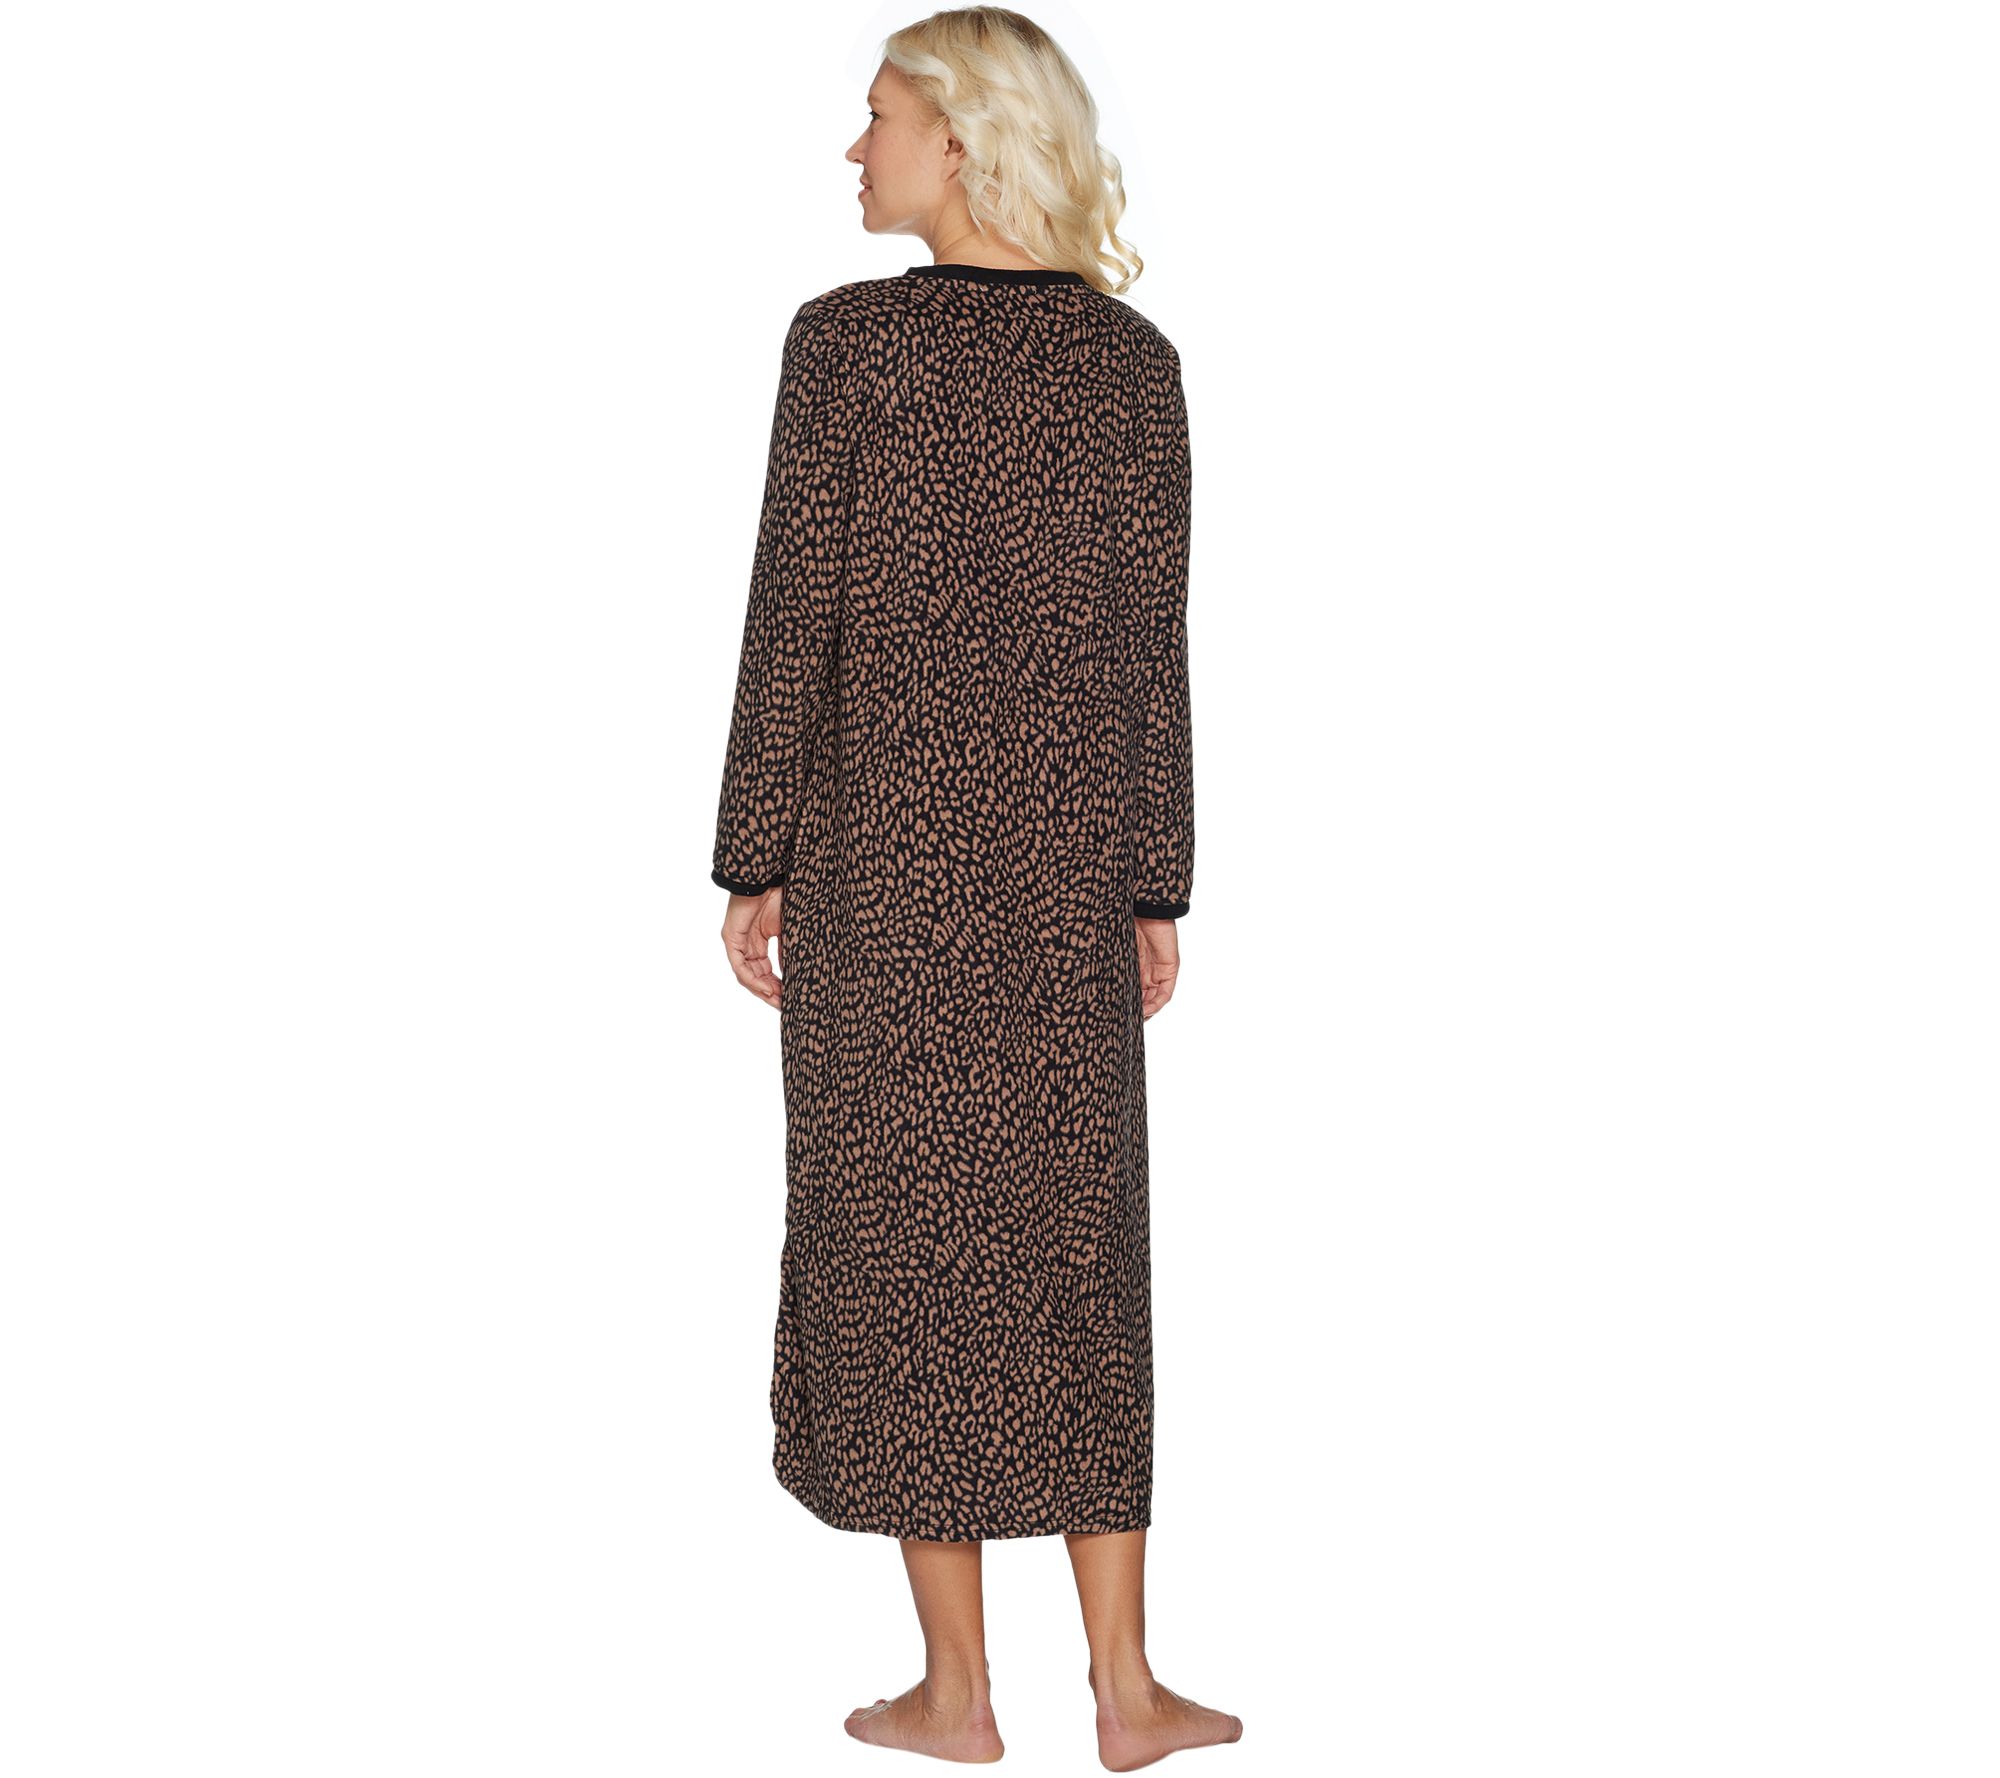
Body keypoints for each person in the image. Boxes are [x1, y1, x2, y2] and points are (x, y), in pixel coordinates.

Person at [709, 10, 1238, 1767]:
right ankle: (1127, 1685)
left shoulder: (846, 348)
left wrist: (754, 855)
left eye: (876, 115)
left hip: (883, 880)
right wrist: (1152, 878)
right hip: (1060, 888)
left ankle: (958, 1691)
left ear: (961, 135)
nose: (853, 148)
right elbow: (1149, 655)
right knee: (1076, 1254)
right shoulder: (1132, 368)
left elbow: (793, 619)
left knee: (906, 1256)